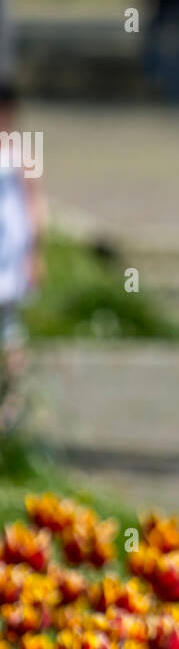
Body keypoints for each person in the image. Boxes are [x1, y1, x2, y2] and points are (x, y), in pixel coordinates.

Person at [0, 85, 43, 432]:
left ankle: (12, 402)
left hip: (10, 248)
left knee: (11, 325)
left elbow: (34, 200)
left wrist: (35, 252)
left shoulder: (23, 148)